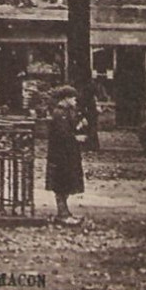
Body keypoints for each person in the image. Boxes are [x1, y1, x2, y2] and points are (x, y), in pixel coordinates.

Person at [45, 85, 88, 223]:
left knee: (66, 183)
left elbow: (70, 128)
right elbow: (62, 134)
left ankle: (65, 212)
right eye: (73, 97)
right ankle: (62, 214)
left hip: (67, 154)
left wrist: (79, 125)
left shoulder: (67, 112)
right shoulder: (59, 113)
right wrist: (76, 137)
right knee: (61, 184)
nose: (75, 100)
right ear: (66, 98)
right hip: (61, 155)